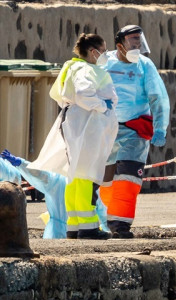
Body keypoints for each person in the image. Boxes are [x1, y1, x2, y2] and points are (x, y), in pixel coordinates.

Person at [28, 33, 119, 240]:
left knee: (76, 177)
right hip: (88, 128)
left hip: (81, 126)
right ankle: (88, 227)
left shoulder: (73, 67)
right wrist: (103, 105)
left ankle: (75, 226)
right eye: (103, 50)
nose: (105, 55)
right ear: (92, 52)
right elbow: (83, 93)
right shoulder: (87, 70)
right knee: (86, 176)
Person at [96, 25, 169, 238]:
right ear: (120, 45)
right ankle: (105, 220)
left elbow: (158, 98)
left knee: (128, 178)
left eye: (139, 40)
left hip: (134, 131)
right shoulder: (104, 62)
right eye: (133, 40)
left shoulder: (145, 66)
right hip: (106, 129)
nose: (137, 45)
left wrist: (160, 128)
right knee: (105, 180)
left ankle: (121, 225)